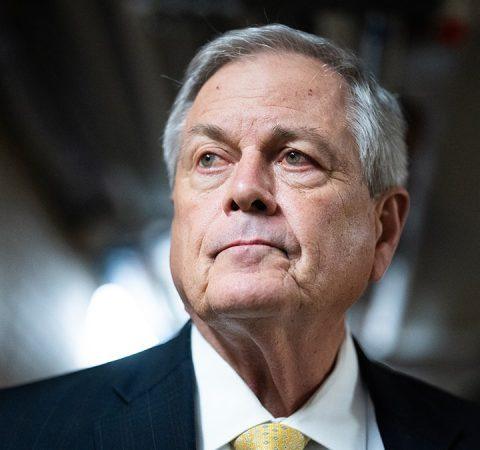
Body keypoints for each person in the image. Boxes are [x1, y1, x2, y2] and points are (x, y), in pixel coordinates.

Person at [0, 24, 478, 450]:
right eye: (210, 158)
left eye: (295, 157)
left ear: (383, 229)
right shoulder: (21, 433)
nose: (245, 189)